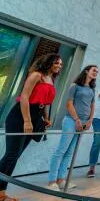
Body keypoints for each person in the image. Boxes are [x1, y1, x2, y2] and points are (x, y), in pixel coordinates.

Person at [0, 53, 62, 201]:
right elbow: (25, 97)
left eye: (61, 64)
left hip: (36, 116)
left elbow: (44, 103)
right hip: (20, 116)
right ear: (48, 62)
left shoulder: (51, 79)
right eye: (57, 63)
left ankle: (1, 192)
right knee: (11, 155)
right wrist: (27, 121)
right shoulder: (36, 75)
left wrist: (45, 118)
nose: (59, 66)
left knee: (15, 156)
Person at [48, 65, 98, 191]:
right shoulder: (75, 86)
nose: (96, 73)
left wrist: (90, 120)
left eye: (97, 71)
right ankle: (51, 181)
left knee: (70, 152)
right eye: (94, 70)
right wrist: (76, 120)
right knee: (61, 150)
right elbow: (69, 104)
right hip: (71, 121)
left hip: (84, 123)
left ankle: (61, 180)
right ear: (86, 71)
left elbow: (92, 105)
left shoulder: (92, 89)